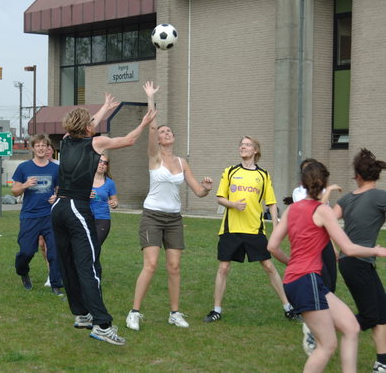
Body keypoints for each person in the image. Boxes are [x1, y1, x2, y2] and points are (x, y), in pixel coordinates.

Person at [51, 92, 157, 346]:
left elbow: (84, 125)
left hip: (58, 208)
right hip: (77, 208)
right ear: (88, 127)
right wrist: (144, 122)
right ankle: (102, 324)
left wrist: (104, 109)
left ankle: (82, 315)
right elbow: (130, 140)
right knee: (89, 267)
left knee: (69, 265)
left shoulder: (65, 141)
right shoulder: (95, 144)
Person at [268, 160, 386, 373]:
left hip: (298, 281)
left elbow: (272, 246)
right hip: (307, 280)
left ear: (302, 183)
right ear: (324, 183)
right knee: (327, 345)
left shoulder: (292, 210)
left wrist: (290, 263)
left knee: (351, 326)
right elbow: (348, 249)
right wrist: (376, 251)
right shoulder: (322, 211)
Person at [125, 81, 213, 331]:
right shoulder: (154, 157)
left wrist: (206, 187)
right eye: (163, 132)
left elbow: (198, 191)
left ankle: (174, 313)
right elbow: (151, 128)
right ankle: (134, 311)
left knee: (174, 266)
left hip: (174, 219)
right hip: (152, 216)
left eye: (168, 131)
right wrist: (151, 99)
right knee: (151, 265)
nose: (166, 133)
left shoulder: (182, 162)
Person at [203, 135, 294, 323]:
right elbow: (220, 198)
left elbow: (272, 204)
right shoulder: (229, 171)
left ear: (255, 151)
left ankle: (288, 307)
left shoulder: (263, 175)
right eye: (241, 145)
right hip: (231, 229)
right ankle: (216, 310)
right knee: (223, 267)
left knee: (269, 266)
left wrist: (276, 228)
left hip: (255, 230)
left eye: (247, 145)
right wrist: (233, 204)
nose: (243, 147)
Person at [332, 149, 386, 373]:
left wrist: (336, 249)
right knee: (371, 315)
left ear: (358, 176)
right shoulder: (380, 197)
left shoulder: (345, 199)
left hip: (352, 262)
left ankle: (382, 362)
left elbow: (324, 223)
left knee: (382, 311)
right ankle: (321, 329)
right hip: (357, 262)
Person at [291, 158, 342, 355]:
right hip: (309, 248)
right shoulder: (299, 193)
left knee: (331, 285)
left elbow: (325, 223)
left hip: (325, 244)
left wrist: (333, 245)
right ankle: (312, 325)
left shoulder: (322, 193)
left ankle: (321, 324)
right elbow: (313, 214)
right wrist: (328, 193)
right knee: (320, 284)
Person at [11, 134, 63, 296]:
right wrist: (26, 185)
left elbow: (61, 189)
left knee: (54, 252)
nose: (41, 148)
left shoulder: (56, 168)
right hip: (29, 216)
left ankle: (56, 284)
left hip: (50, 215)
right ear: (33, 148)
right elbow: (14, 191)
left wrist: (57, 197)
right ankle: (23, 272)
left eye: (44, 145)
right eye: (38, 145)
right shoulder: (24, 167)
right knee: (26, 251)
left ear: (48, 149)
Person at [39, 143, 59, 288]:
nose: (46, 151)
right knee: (41, 244)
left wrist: (57, 196)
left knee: (51, 244)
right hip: (39, 211)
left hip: (55, 210)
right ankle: (50, 270)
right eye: (43, 148)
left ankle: (52, 275)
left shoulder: (58, 167)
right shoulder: (37, 165)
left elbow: (64, 186)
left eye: (48, 148)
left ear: (52, 151)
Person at [90, 154, 118, 250]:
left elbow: (115, 201)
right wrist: (86, 195)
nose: (102, 164)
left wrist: (114, 204)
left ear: (107, 167)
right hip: (85, 218)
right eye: (99, 161)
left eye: (105, 163)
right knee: (85, 247)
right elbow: (76, 197)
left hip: (102, 219)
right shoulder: (86, 180)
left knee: (95, 246)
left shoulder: (110, 183)